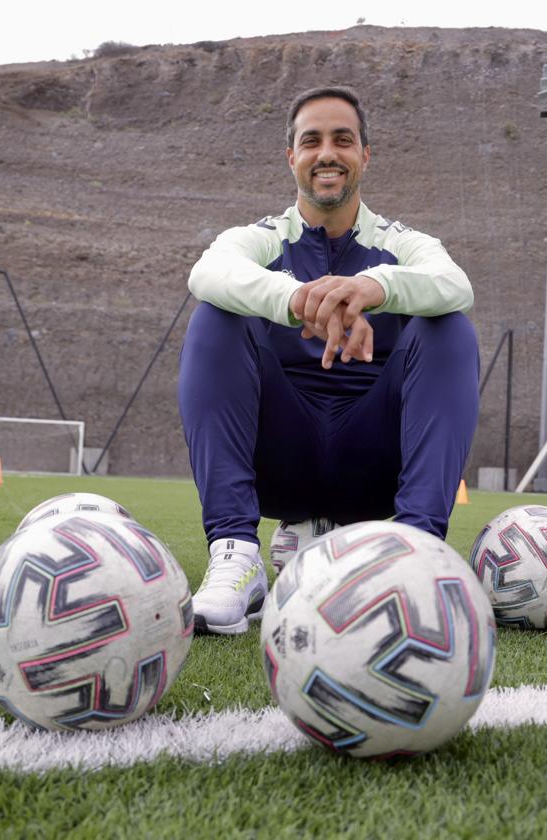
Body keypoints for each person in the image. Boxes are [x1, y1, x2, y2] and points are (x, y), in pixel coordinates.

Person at [178, 86, 480, 634]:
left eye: (343, 139)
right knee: (216, 312)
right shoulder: (260, 238)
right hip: (279, 464)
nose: (327, 153)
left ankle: (415, 557)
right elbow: (208, 270)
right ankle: (235, 556)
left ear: (365, 155)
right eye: (310, 140)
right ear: (291, 157)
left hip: (375, 470)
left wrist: (373, 287)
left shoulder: (402, 243)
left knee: (450, 327)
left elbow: (454, 284)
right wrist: (297, 300)